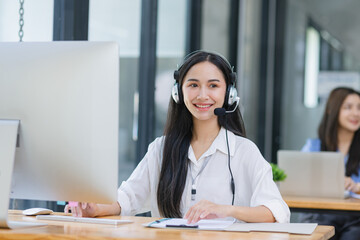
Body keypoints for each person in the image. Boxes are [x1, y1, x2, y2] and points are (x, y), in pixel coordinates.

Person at [65, 50, 290, 223]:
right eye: (193, 85)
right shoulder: (161, 149)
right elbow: (127, 198)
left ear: (228, 94)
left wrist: (226, 210)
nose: (203, 95)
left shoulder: (244, 151)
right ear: (178, 92)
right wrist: (95, 209)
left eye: (213, 85)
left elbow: (276, 211)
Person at [301, 87, 360, 240]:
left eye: (359, 108)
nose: (356, 113)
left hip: (356, 218)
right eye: (348, 107)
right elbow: (298, 182)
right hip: (320, 215)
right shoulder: (314, 147)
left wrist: (356, 187)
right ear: (332, 111)